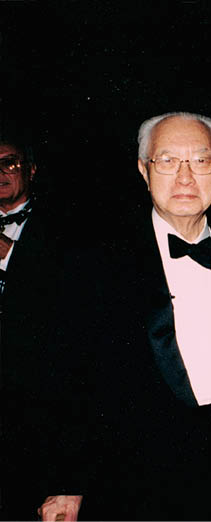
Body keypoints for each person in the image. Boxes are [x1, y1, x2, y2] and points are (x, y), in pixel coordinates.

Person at [40, 112, 211, 520]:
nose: (185, 177)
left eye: (200, 160)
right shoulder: (96, 263)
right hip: (133, 486)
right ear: (144, 171)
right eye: (167, 161)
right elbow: (66, 375)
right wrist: (67, 483)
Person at [0, 131, 77, 520]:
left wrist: (9, 252)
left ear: (30, 170)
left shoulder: (65, 226)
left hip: (32, 397)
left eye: (9, 163)